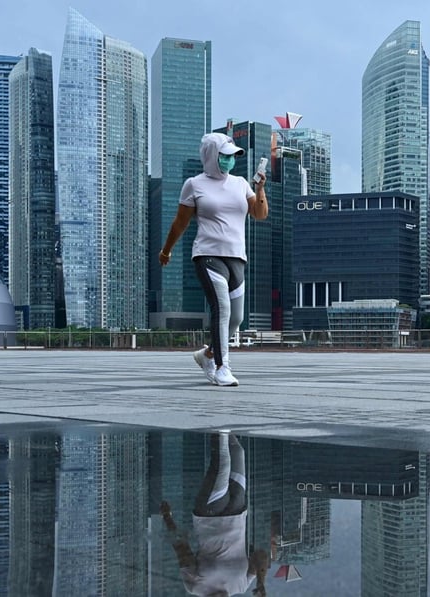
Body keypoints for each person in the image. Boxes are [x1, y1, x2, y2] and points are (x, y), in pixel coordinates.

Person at [159, 132, 268, 386]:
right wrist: (166, 251)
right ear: (211, 156)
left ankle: (207, 354)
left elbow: (260, 214)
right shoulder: (194, 185)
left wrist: (260, 189)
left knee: (237, 318)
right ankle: (222, 367)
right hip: (208, 255)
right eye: (225, 156)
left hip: (237, 258)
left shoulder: (241, 183)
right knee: (222, 309)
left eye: (233, 157)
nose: (230, 161)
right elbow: (180, 223)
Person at [162, 431, 269, 596]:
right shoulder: (240, 587)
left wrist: (167, 517)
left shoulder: (195, 588)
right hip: (237, 512)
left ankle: (218, 421)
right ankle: (224, 426)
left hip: (209, 516)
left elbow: (182, 549)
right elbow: (260, 555)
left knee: (221, 465)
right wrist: (261, 581)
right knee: (237, 452)